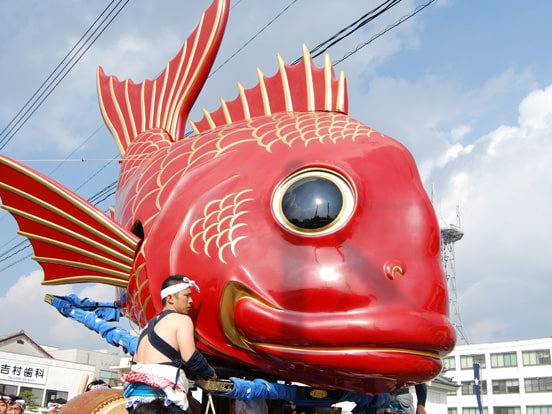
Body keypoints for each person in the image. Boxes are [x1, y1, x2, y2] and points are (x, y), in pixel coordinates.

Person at [122, 275, 217, 414]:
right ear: (171, 298)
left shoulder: (147, 326)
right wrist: (211, 373)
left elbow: (135, 361)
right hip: (163, 400)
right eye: (187, 296)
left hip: (135, 400)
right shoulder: (182, 320)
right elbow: (190, 358)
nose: (191, 301)